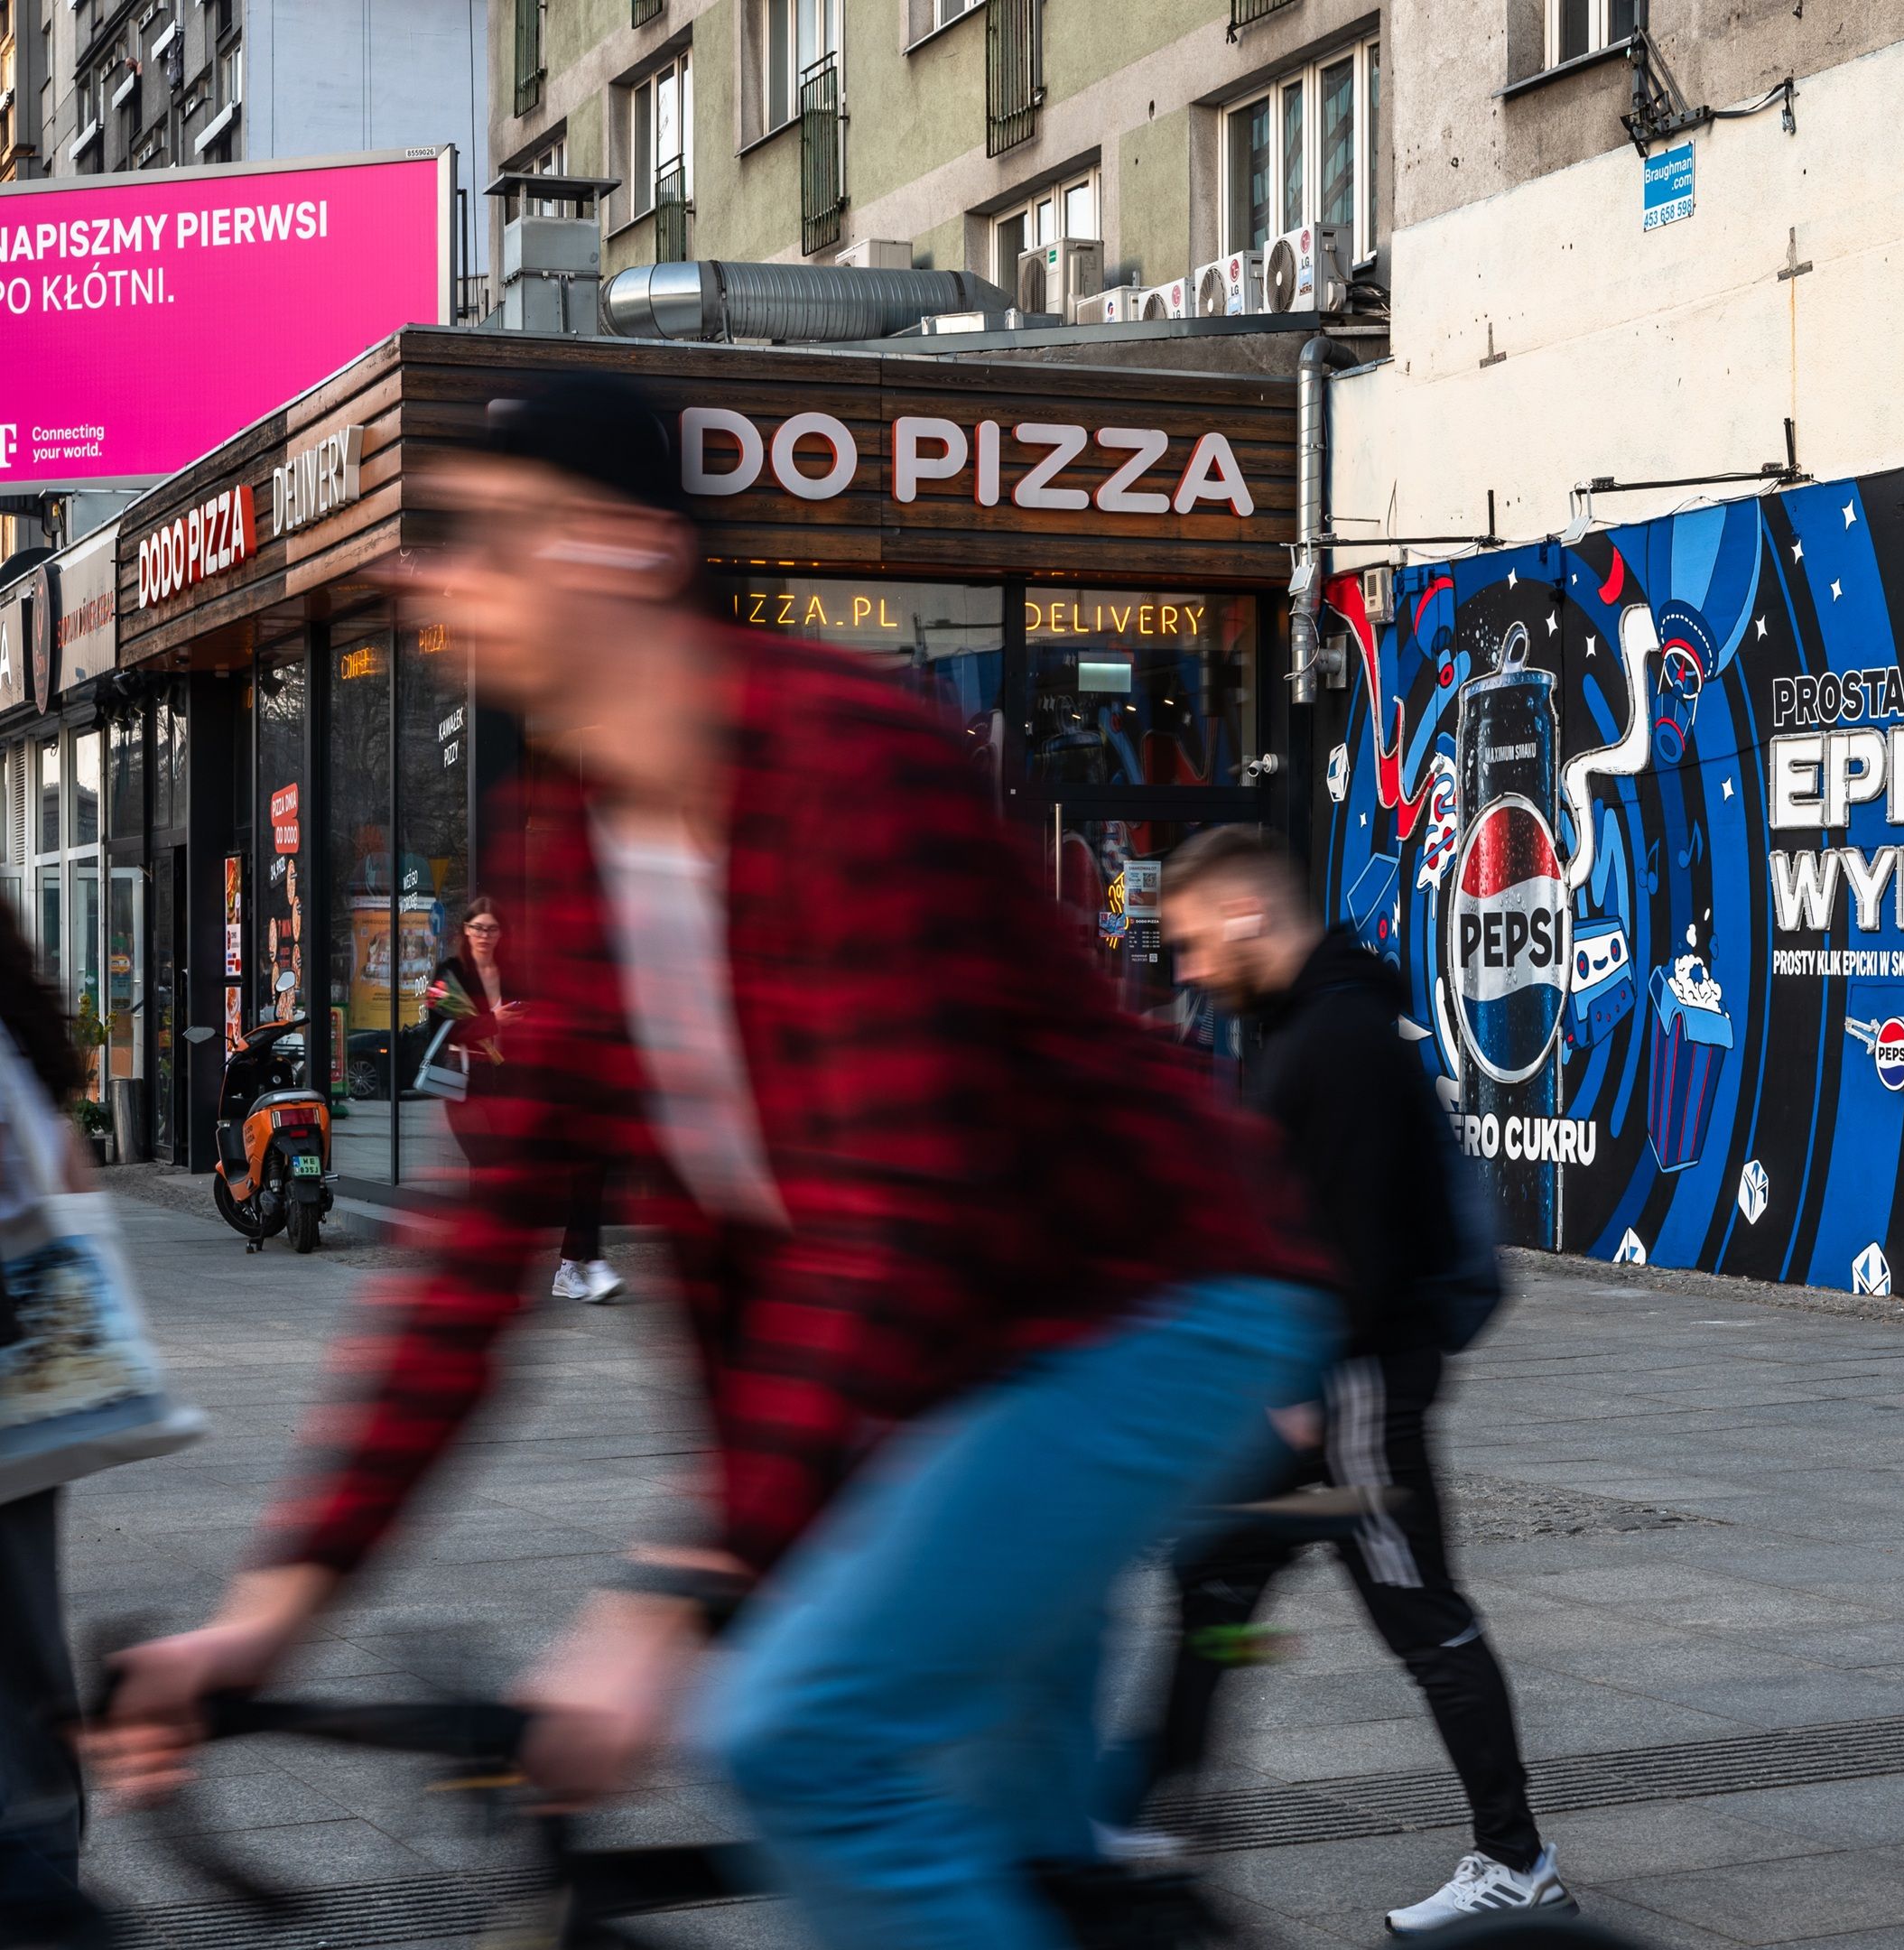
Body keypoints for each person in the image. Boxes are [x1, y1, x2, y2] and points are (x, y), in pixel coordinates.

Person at [90, 375, 1333, 1950]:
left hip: (1152, 1313)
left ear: (613, 550)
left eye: (473, 534)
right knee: (1001, 1846)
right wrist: (267, 1616)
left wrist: (672, 1598)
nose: (422, 575)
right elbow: (478, 1261)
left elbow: (889, 1217)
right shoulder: (573, 836)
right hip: (954, 1374)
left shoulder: (845, 762)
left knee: (798, 1742)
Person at [1120, 825, 1570, 1935]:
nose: (1182, 970)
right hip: (1306, 1399)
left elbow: (1362, 1248)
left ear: (1245, 915)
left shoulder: (1341, 1041)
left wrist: (1299, 1389)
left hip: (1350, 1402)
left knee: (1423, 1621)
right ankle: (1152, 1841)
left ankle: (1515, 1860)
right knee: (1213, 1589)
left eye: (1186, 944)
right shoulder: (1290, 1029)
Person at [0, 903, 95, 1948]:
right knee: (26, 1649)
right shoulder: (20, 1040)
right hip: (35, 1376)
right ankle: (42, 1853)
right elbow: (75, 1193)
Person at [426, 895, 621, 1304]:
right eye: (478, 928)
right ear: (465, 930)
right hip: (468, 1086)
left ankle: (564, 1267)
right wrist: (493, 1020)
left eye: (492, 929)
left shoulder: (514, 974)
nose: (485, 936)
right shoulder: (451, 974)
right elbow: (442, 1030)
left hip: (514, 1084)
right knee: (491, 1170)